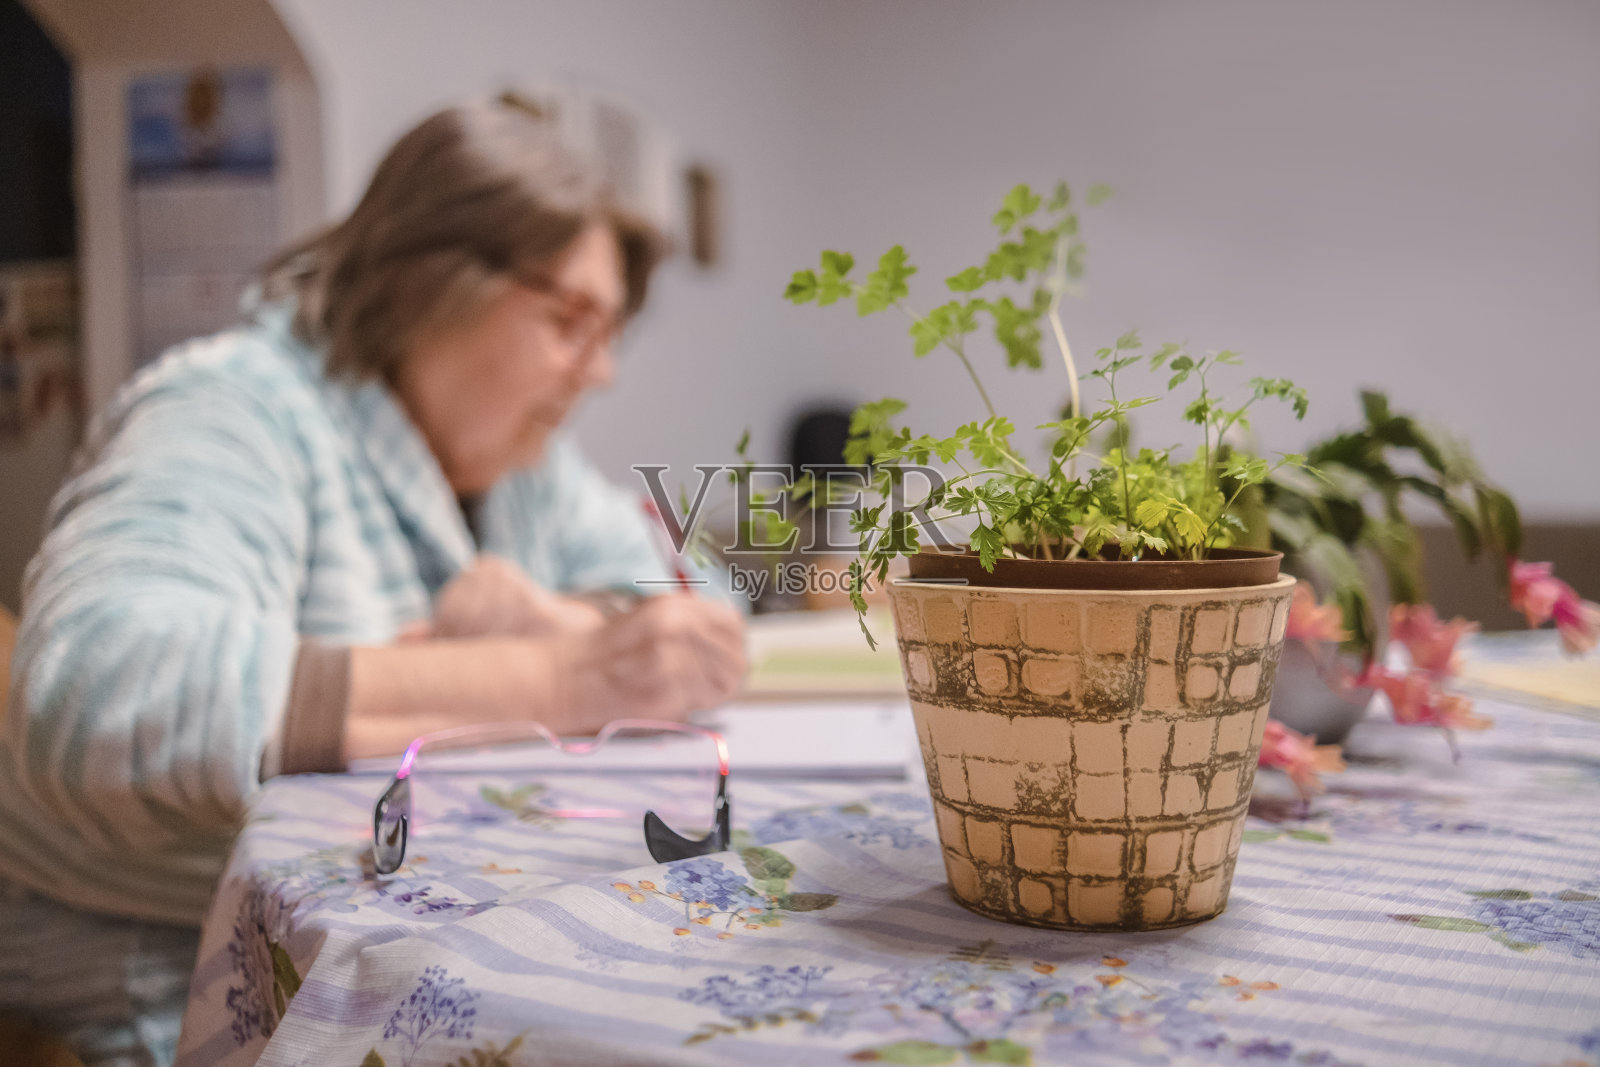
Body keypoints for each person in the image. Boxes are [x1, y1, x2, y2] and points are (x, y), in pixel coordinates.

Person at [0, 98, 746, 1066]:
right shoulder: (229, 405)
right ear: (426, 284)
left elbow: (710, 603)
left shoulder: (522, 472)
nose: (600, 372)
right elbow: (104, 694)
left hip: (397, 946)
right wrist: (562, 677)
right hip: (159, 977)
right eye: (571, 321)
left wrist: (554, 616)